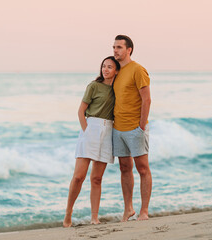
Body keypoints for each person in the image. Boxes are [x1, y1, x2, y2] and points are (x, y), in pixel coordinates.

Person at [63, 56, 120, 227]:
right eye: (104, 66)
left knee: (97, 178)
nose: (105, 69)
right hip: (91, 127)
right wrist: (87, 131)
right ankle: (68, 214)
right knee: (79, 176)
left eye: (110, 67)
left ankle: (94, 218)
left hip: (109, 130)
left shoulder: (118, 89)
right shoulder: (94, 86)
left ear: (116, 70)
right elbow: (81, 111)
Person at [112, 35, 152, 221]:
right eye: (114, 47)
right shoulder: (117, 71)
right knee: (124, 168)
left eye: (119, 47)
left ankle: (144, 211)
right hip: (117, 129)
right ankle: (128, 209)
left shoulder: (138, 69)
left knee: (142, 169)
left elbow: (147, 99)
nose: (115, 50)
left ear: (129, 50)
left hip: (135, 128)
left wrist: (141, 126)